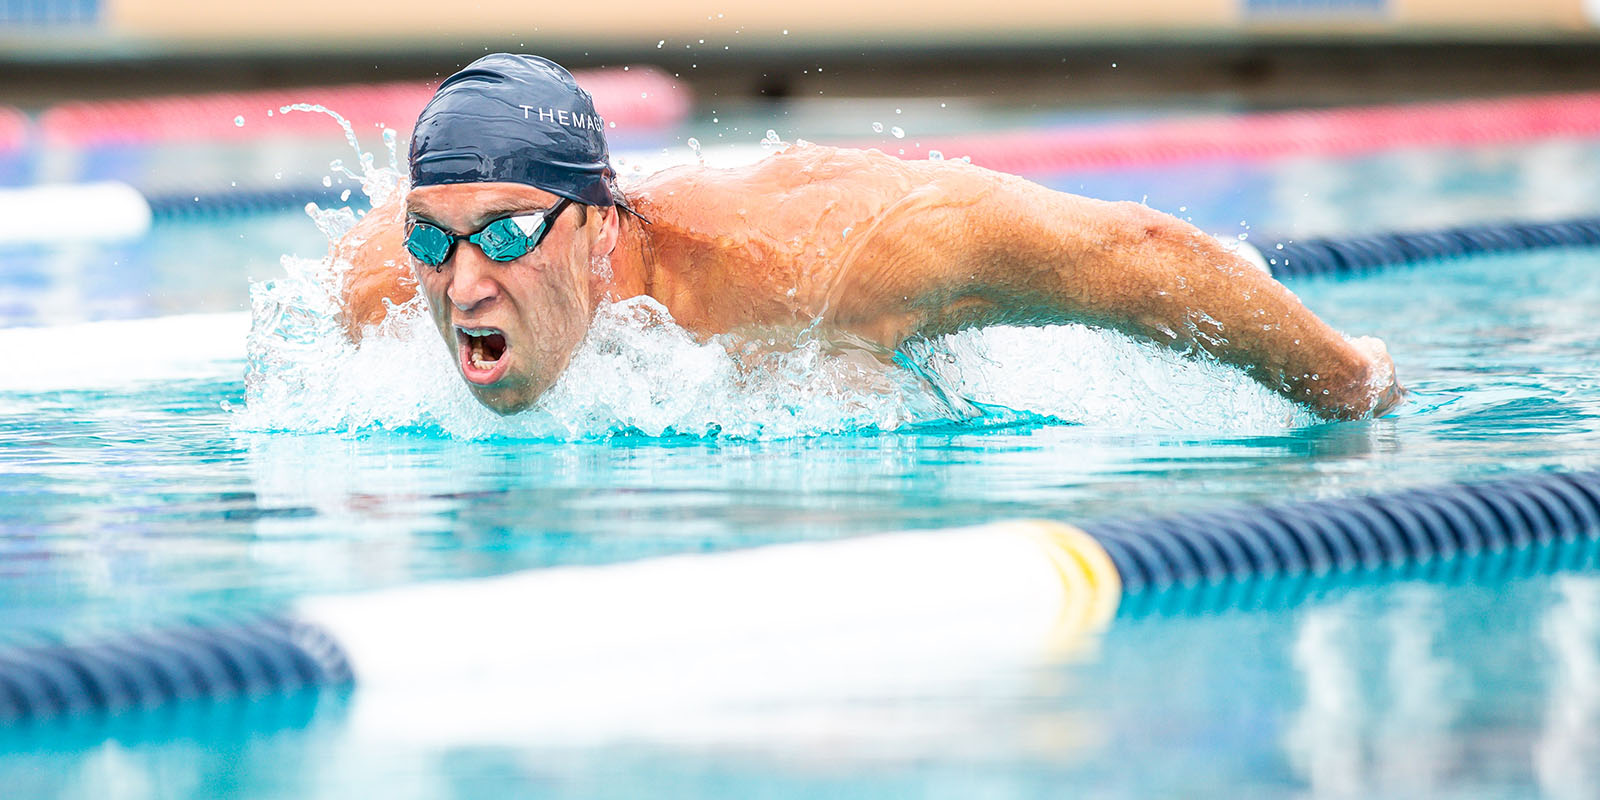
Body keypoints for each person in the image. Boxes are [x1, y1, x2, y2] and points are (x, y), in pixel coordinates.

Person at [339, 53, 1402, 420]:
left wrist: (1346, 378)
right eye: (435, 238)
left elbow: (1127, 257)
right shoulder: (387, 287)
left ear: (596, 230)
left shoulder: (805, 261)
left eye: (508, 233)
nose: (462, 282)